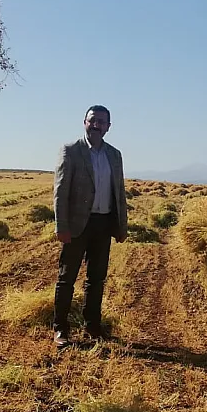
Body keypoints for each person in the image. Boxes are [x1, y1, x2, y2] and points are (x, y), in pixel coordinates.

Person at [51, 105, 128, 349]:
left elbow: (120, 192)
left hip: (103, 224)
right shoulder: (71, 151)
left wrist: (121, 226)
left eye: (102, 122)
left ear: (108, 127)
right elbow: (60, 191)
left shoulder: (114, 155)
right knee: (67, 278)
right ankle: (60, 329)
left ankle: (93, 326)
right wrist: (61, 226)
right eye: (93, 120)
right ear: (84, 122)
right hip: (76, 225)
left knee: (97, 279)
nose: (97, 125)